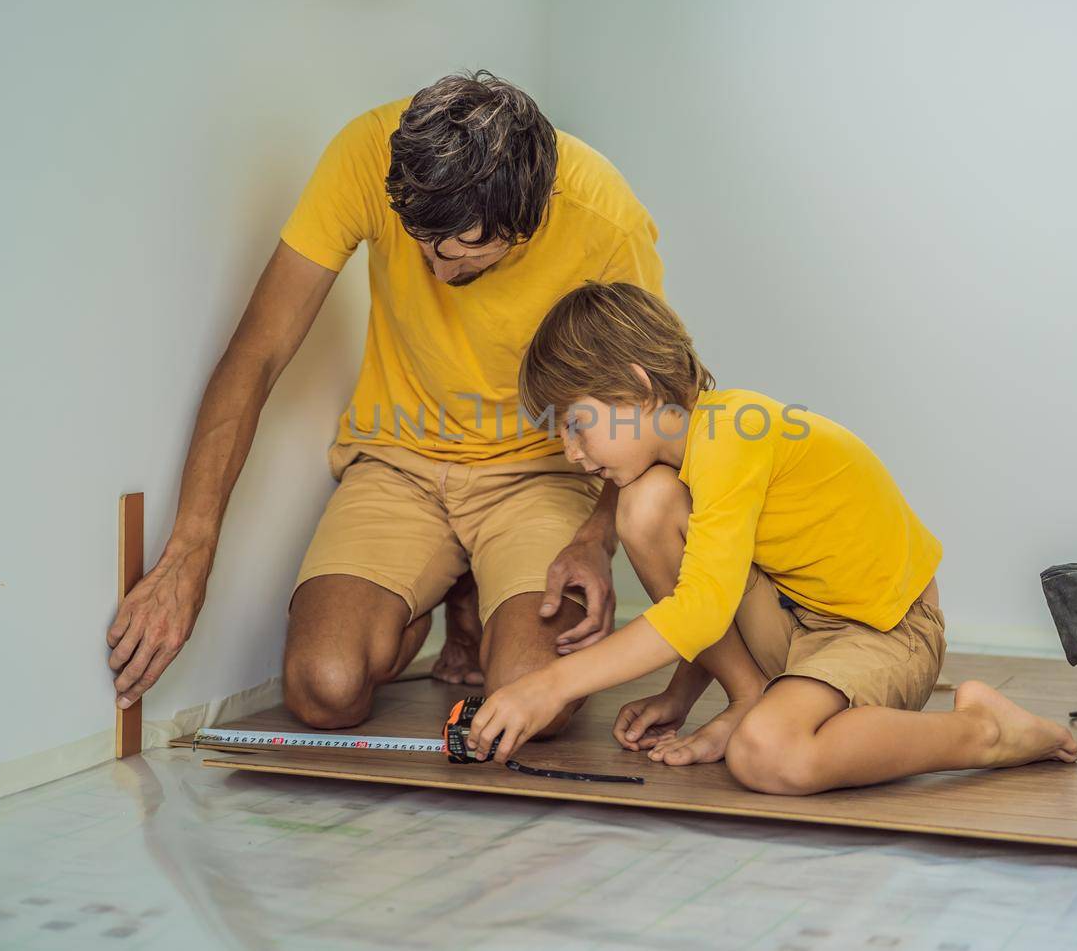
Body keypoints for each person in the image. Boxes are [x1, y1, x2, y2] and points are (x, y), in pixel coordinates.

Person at [106, 74, 663, 734]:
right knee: (323, 688)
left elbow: (645, 410)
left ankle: (480, 602)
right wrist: (188, 553)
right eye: (424, 248)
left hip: (539, 475)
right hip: (400, 464)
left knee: (527, 697)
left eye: (464, 259)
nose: (439, 275)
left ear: (526, 223)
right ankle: (439, 595)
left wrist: (598, 537)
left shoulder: (608, 220)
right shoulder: (369, 153)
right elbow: (257, 352)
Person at [464, 282, 1077, 793]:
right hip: (797, 621)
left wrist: (550, 685)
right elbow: (717, 579)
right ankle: (749, 697)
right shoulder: (686, 460)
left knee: (768, 756)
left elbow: (703, 607)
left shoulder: (732, 434)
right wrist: (683, 694)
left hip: (882, 633)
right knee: (645, 507)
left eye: (576, 425)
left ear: (636, 386)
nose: (572, 453)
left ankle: (985, 730)